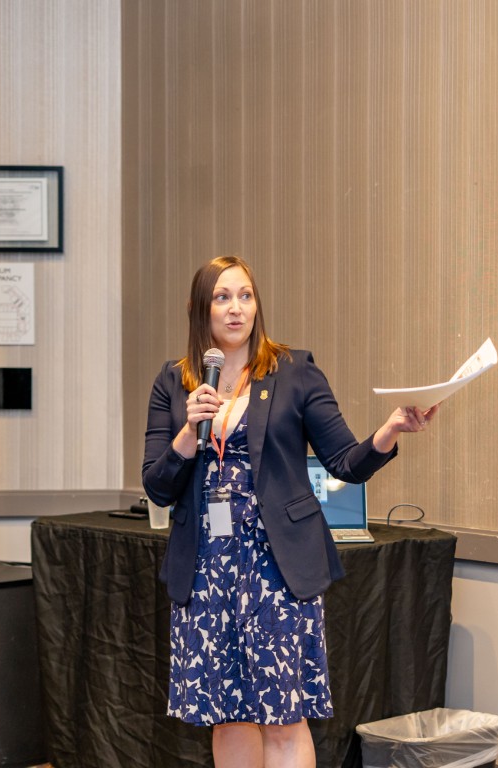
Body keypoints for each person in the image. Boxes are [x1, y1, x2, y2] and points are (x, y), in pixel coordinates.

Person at [142, 255, 438, 768]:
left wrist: (390, 431)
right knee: (227, 715)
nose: (236, 308)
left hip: (275, 567)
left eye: (246, 296)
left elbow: (345, 462)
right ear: (200, 309)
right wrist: (188, 433)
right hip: (206, 570)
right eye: (222, 297)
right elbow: (157, 487)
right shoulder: (175, 381)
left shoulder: (293, 370)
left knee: (282, 716)